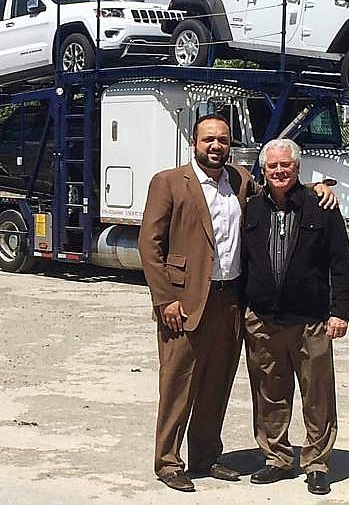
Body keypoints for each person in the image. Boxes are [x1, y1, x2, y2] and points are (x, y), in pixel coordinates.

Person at [138, 115, 335, 493]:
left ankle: (206, 455)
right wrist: (165, 299)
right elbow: (150, 245)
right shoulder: (168, 182)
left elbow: (280, 185)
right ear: (194, 142)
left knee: (217, 383)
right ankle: (167, 461)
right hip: (185, 302)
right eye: (209, 139)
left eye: (223, 140)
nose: (216, 146)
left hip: (231, 301)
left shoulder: (241, 180)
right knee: (179, 384)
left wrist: (318, 187)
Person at [243, 138, 349, 496]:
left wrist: (340, 312)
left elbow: (340, 263)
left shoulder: (321, 206)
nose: (279, 171)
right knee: (271, 393)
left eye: (285, 165)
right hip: (263, 320)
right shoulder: (251, 209)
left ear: (297, 168)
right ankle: (276, 458)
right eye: (272, 166)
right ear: (263, 170)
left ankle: (317, 463)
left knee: (317, 394)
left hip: (313, 321)